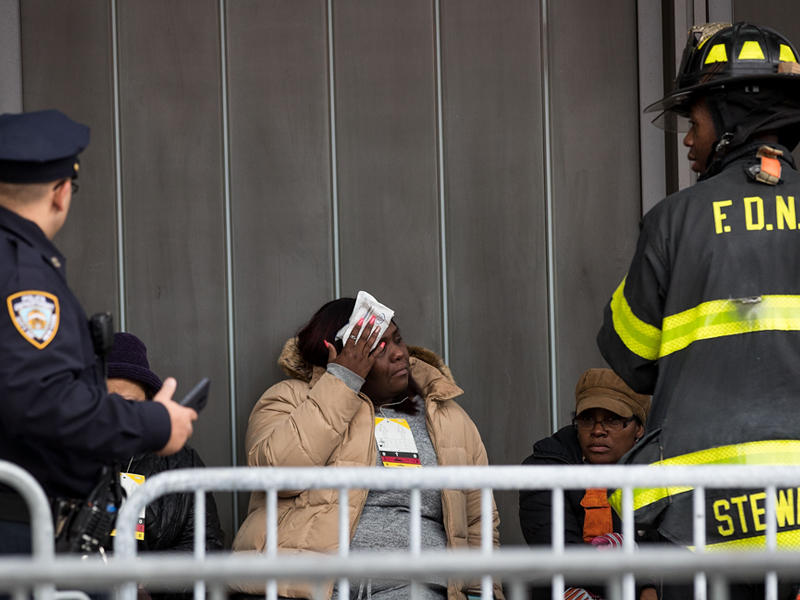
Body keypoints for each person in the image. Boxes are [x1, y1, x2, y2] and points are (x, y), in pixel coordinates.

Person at [596, 21, 800, 598]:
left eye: (696, 120)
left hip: (701, 512)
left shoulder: (676, 218)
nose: (689, 139)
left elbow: (630, 353)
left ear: (735, 114)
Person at [0, 110, 197, 555]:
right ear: (61, 192)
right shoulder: (24, 275)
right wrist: (154, 422)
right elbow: (42, 401)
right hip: (20, 532)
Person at [231, 296, 502, 599]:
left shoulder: (447, 418)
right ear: (340, 354)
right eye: (379, 347)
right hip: (309, 587)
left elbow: (477, 519)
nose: (399, 354)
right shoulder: (290, 399)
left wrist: (481, 592)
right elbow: (277, 473)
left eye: (397, 339)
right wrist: (342, 381)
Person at [106, 332, 224, 600]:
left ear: (149, 403)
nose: (119, 415)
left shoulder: (181, 462)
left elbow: (205, 546)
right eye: (108, 403)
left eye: (129, 404)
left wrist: (147, 579)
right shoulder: (69, 458)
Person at [519, 368, 652, 600]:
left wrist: (653, 586)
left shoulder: (658, 471)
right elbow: (561, 555)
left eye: (612, 420)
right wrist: (643, 585)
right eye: (587, 419)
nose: (598, 431)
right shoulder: (544, 469)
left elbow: (669, 548)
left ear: (639, 428)